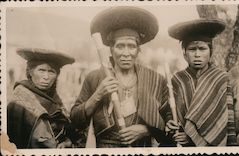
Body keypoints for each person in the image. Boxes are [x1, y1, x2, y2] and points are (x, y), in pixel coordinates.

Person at [70, 6, 172, 147]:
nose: (126, 53)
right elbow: (75, 119)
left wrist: (146, 130)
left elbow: (169, 122)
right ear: (111, 50)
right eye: (120, 46)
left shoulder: (155, 80)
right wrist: (98, 94)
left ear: (138, 50)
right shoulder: (94, 77)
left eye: (131, 46)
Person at [165, 19, 238, 146]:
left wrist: (231, 145)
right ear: (185, 54)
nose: (197, 54)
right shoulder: (178, 79)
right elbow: (171, 112)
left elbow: (229, 119)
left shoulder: (221, 78)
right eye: (192, 49)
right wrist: (170, 121)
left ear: (210, 52)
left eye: (202, 49)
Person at [7, 48, 75, 148]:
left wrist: (66, 142)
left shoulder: (55, 99)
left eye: (51, 72)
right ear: (30, 71)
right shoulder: (19, 100)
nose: (46, 77)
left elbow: (65, 131)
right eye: (41, 70)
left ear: (57, 75)